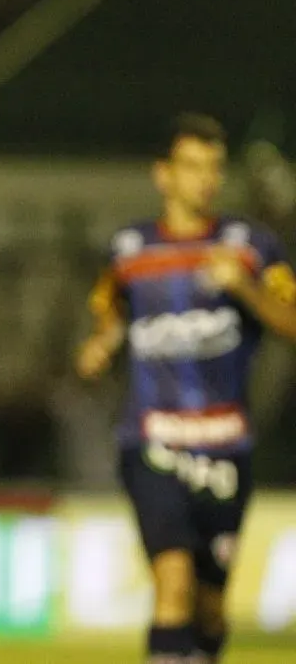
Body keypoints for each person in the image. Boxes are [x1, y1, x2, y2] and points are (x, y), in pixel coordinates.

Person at [75, 112, 296, 663]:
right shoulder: (129, 251)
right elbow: (111, 318)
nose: (206, 180)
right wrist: (101, 344)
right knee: (172, 582)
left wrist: (242, 287)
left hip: (225, 448)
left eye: (214, 168)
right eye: (193, 166)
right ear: (163, 175)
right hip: (153, 442)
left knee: (210, 608)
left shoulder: (251, 248)